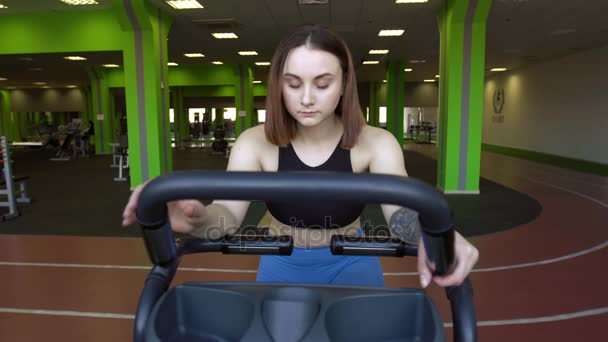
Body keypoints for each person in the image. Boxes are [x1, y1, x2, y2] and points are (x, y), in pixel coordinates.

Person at [122, 25, 478, 289]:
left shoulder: (377, 143)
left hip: (352, 260)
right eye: (293, 84)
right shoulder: (253, 143)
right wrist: (195, 217)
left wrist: (436, 235)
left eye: (322, 84)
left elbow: (401, 213)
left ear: (343, 85)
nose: (307, 98)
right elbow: (226, 216)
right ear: (279, 85)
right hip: (282, 261)